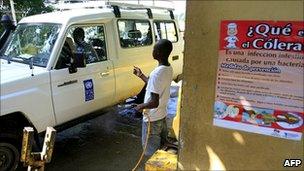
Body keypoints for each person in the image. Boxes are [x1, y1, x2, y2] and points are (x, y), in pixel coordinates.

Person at [133, 39, 173, 157]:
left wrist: (140, 106)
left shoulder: (157, 73)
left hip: (152, 119)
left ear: (159, 52)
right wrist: (141, 76)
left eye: (154, 49)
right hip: (161, 115)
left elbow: (154, 102)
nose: (153, 51)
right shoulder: (167, 68)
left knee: (151, 154)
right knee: (160, 151)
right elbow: (154, 85)